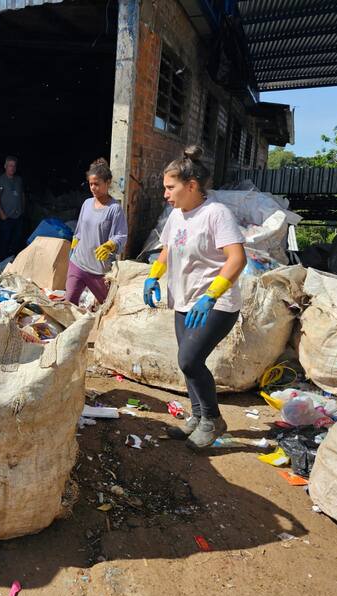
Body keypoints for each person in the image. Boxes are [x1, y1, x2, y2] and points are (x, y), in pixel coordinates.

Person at [143, 146, 247, 450]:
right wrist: (153, 275)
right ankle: (198, 416)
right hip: (184, 301)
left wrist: (211, 295)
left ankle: (213, 419)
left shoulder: (216, 214)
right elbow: (166, 250)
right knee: (186, 361)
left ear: (191, 186)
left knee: (189, 360)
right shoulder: (176, 216)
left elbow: (237, 258)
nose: (165, 194)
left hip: (216, 304)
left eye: (170, 187)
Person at [66, 158, 128, 306]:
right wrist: (74, 244)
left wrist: (110, 245)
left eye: (97, 184)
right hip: (78, 263)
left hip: (99, 270)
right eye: (90, 184)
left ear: (107, 183)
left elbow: (121, 235)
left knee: (108, 306)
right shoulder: (87, 204)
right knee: (69, 303)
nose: (93, 188)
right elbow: (79, 230)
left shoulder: (114, 209)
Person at [0, 155, 25, 258]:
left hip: (18, 216)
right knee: (4, 241)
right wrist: (1, 213)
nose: (12, 168)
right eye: (10, 165)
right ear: (5, 166)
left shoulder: (18, 179)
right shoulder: (1, 180)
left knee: (16, 240)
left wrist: (22, 209)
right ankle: (2, 262)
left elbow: (22, 195)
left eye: (14, 166)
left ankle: (13, 261)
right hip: (6, 217)